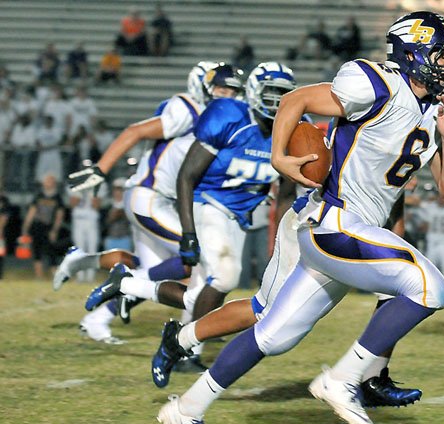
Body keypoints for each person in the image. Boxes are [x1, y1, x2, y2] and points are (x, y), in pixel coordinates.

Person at [154, 11, 444, 424]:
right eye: (443, 55)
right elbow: (296, 100)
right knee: (430, 287)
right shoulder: (377, 83)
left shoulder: (443, 113)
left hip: (352, 233)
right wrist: (280, 156)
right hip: (333, 220)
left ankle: (185, 408)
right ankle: (342, 379)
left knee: (273, 334)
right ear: (414, 52)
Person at [85, 62, 296, 369]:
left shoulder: (292, 127)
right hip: (206, 203)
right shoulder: (228, 116)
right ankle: (184, 350)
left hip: (239, 215)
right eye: (271, 93)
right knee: (226, 276)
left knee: (197, 294)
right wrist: (187, 232)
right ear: (253, 93)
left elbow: (286, 193)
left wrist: (284, 242)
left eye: (283, 95)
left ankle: (128, 285)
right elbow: (187, 176)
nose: (277, 103)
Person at [57, 62, 242, 345]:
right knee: (193, 257)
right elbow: (135, 131)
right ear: (204, 88)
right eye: (221, 89)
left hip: (162, 201)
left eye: (232, 91)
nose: (227, 96)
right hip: (149, 197)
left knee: (151, 270)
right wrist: (100, 170)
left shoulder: (221, 119)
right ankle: (189, 326)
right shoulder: (188, 108)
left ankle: (86, 273)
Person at [21, 174, 66, 279]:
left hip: (49, 227)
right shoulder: (39, 195)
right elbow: (32, 211)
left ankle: (55, 276)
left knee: (51, 251)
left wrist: (55, 230)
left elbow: (60, 215)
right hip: (37, 226)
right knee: (37, 250)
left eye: (50, 181)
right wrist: (26, 226)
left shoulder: (57, 197)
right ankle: (39, 276)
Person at [103, 178, 133, 251]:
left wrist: (122, 213)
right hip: (110, 239)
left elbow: (131, 221)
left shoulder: (129, 205)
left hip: (125, 239)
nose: (118, 193)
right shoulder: (108, 205)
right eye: (116, 190)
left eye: (120, 190)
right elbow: (104, 223)